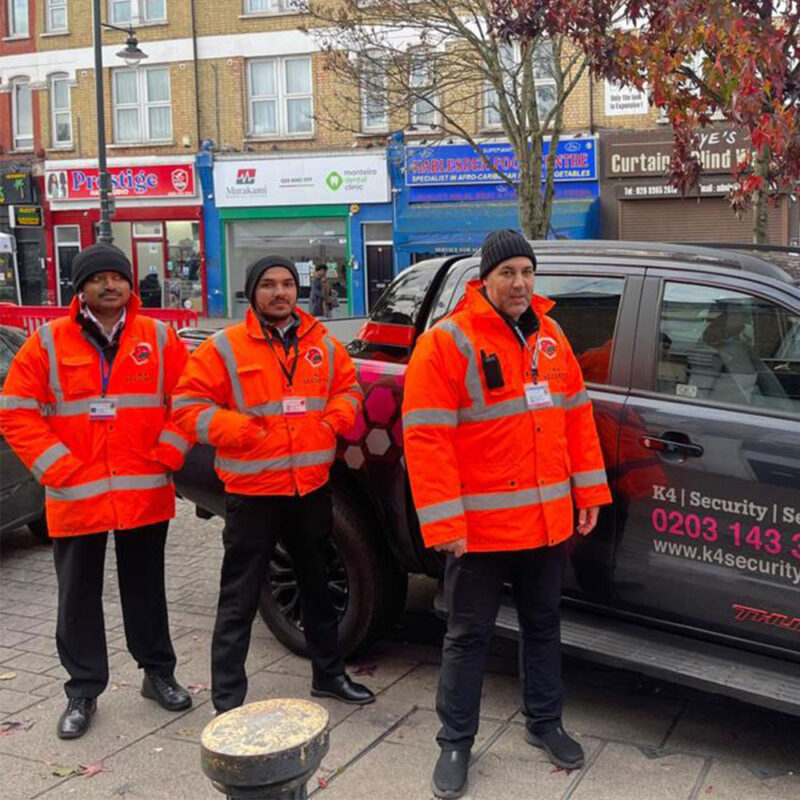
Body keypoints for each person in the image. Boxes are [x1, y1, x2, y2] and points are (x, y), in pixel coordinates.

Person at [402, 230, 612, 799]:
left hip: (545, 523)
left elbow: (575, 419)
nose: (519, 283)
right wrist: (445, 527)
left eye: (527, 272)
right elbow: (426, 441)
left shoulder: (551, 335)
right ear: (485, 280)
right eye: (507, 273)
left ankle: (545, 723)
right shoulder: (448, 343)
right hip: (480, 532)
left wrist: (588, 492)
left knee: (543, 626)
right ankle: (455, 742)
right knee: (468, 635)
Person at [0, 243, 193, 740]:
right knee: (77, 595)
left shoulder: (159, 337)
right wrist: (54, 466)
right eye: (98, 278)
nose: (111, 286)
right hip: (76, 492)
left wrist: (169, 452)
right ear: (79, 288)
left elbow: (189, 400)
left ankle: (158, 674)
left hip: (143, 488)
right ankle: (83, 690)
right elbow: (16, 410)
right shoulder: (46, 343)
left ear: (131, 285)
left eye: (119, 277)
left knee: (146, 588)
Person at [171, 255, 374, 713]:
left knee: (317, 590)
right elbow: (185, 407)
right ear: (252, 292)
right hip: (253, 494)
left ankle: (329, 675)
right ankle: (228, 697)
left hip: (309, 491)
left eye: (287, 283)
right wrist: (235, 430)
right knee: (239, 598)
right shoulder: (225, 348)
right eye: (268, 284)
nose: (280, 292)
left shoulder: (322, 343)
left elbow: (349, 389)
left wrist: (334, 421)